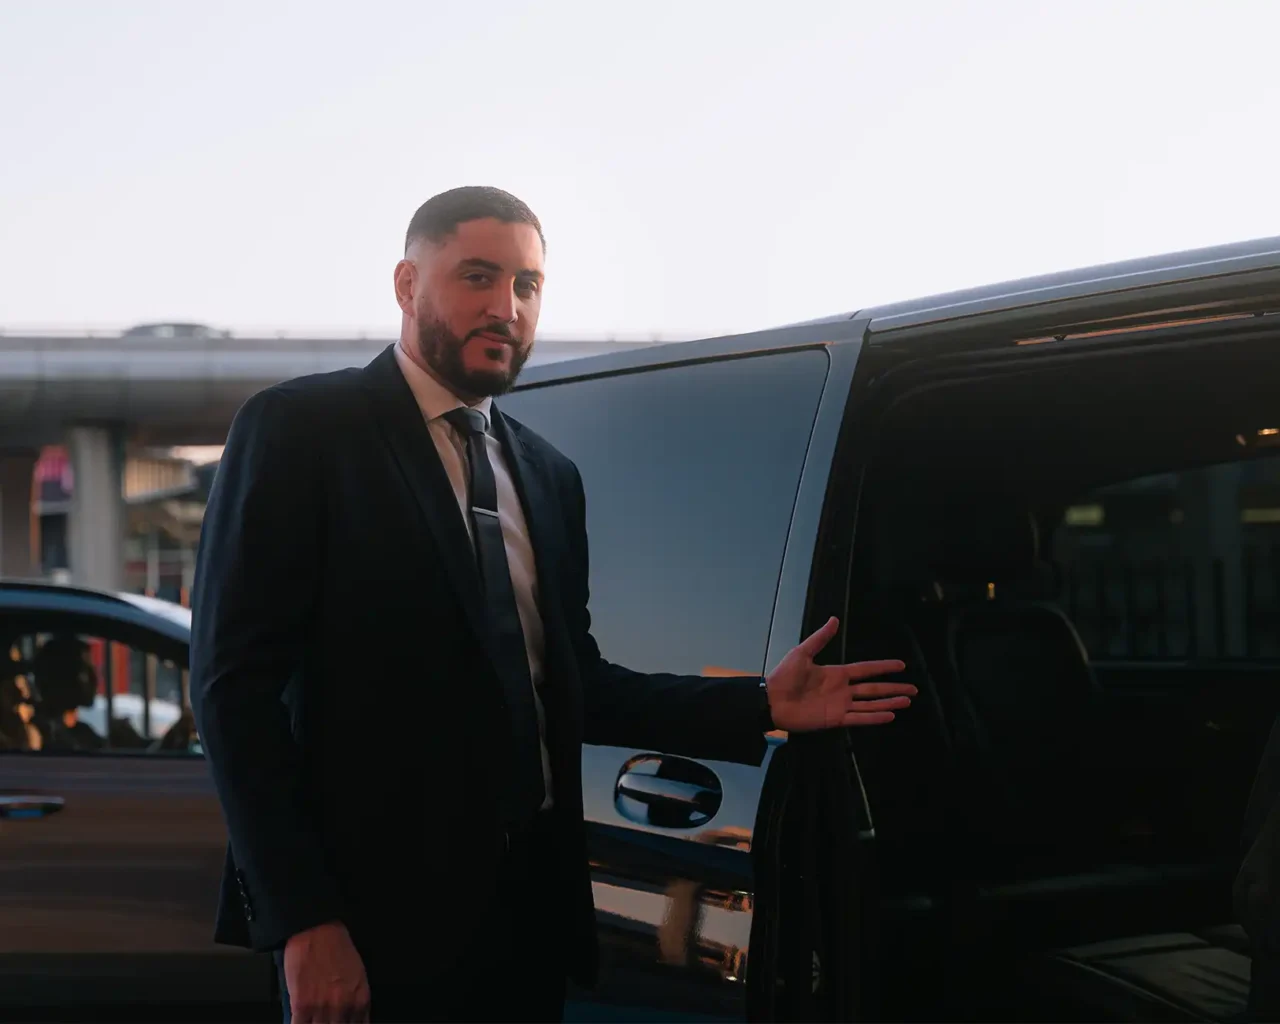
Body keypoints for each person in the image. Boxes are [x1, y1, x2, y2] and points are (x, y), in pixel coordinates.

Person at [189, 185, 916, 1024]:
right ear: (406, 285)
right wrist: (304, 922)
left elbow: (577, 684)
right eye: (477, 277)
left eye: (527, 286)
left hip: (527, 919)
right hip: (372, 930)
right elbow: (233, 695)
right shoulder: (302, 431)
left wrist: (760, 704)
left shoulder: (547, 475)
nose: (506, 307)